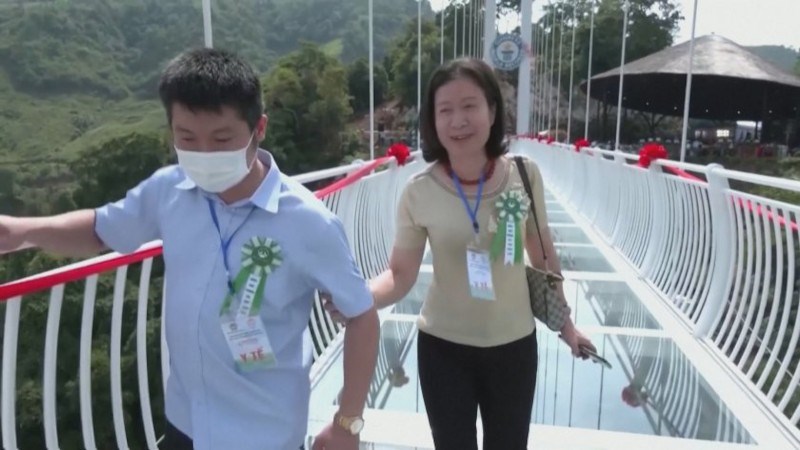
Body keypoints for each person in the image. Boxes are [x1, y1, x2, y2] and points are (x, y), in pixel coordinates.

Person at [0, 48, 379, 450]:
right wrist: (20, 232)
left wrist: (346, 423)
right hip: (185, 420)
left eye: (222, 139)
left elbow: (362, 317)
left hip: (263, 432)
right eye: (187, 139)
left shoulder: (308, 222)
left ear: (259, 128)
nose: (204, 154)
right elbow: (100, 229)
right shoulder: (170, 190)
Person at [326, 57, 596, 449]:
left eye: (470, 106)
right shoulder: (419, 190)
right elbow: (399, 275)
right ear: (433, 120)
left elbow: (543, 258)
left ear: (492, 110)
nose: (458, 121)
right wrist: (357, 298)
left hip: (514, 345)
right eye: (445, 110)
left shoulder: (524, 175)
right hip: (443, 349)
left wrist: (566, 326)